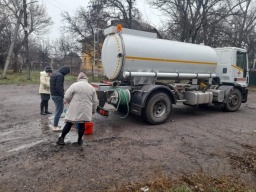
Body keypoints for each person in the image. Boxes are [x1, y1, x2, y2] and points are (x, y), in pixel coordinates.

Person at [57, 72, 98, 146]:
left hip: (74, 109)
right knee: (82, 125)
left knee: (69, 123)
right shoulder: (91, 88)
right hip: (85, 110)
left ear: (79, 78)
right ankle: (79, 141)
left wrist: (69, 101)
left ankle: (61, 139)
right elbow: (95, 102)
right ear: (86, 79)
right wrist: (93, 111)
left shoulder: (74, 85)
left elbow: (67, 97)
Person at [50, 66, 70, 131]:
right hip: (57, 96)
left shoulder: (55, 73)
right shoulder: (60, 76)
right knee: (59, 111)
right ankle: (55, 126)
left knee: (57, 110)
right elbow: (59, 87)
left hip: (53, 94)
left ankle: (55, 124)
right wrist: (63, 96)